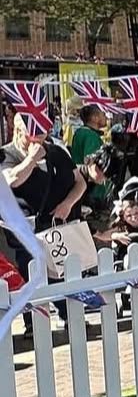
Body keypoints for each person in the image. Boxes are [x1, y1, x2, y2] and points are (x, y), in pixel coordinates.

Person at [2, 114, 86, 280]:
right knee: (39, 288)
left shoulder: (56, 151)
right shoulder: (7, 155)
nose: (40, 137)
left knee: (71, 285)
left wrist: (68, 203)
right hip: (30, 239)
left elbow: (80, 182)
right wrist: (32, 158)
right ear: (18, 130)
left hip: (63, 232)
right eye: (33, 131)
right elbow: (12, 180)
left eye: (42, 131)